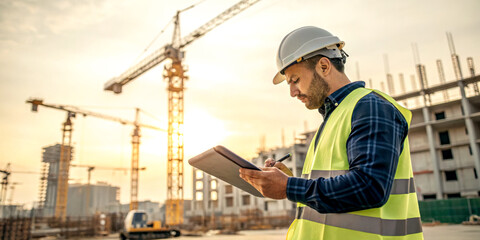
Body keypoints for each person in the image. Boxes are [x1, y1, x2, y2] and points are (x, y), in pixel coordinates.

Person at [239, 26, 424, 240]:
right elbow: (334, 187)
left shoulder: (369, 107)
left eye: (295, 80)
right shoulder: (334, 117)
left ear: (324, 66)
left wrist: (289, 187)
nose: (292, 92)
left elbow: (369, 187)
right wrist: (289, 180)